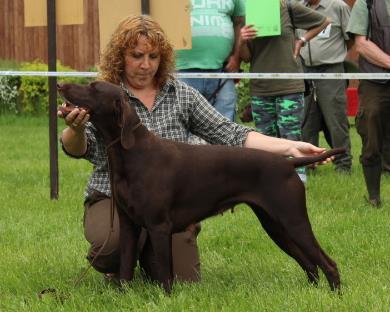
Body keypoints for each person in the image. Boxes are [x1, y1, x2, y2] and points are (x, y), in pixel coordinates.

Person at [58, 15, 332, 283]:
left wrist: (290, 147)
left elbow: (229, 133)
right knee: (111, 247)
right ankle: (124, 260)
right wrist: (77, 128)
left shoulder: (180, 93)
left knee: (183, 277)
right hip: (112, 198)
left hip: (168, 204)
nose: (145, 65)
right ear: (120, 56)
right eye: (137, 55)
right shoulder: (107, 96)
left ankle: (149, 250)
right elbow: (82, 148)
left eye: (153, 57)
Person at [239, 0, 330, 183]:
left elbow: (324, 21)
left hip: (289, 86)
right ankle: (268, 180)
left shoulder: (288, 7)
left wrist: (301, 41)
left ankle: (297, 179)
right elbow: (246, 57)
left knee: (291, 134)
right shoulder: (249, 12)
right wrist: (242, 39)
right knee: (265, 138)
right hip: (261, 88)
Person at [299, 0, 353, 174]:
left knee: (336, 120)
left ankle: (343, 164)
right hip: (304, 69)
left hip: (331, 70)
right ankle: (309, 164)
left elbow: (351, 40)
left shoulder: (338, 6)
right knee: (307, 121)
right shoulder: (298, 6)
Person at [346, 0, 390, 207]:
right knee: (371, 130)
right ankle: (374, 198)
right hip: (376, 80)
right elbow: (361, 44)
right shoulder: (367, 2)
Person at [175, 0, 244, 122]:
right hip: (181, 69)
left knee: (225, 127)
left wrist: (236, 58)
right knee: (182, 127)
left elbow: (239, 22)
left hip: (223, 70)